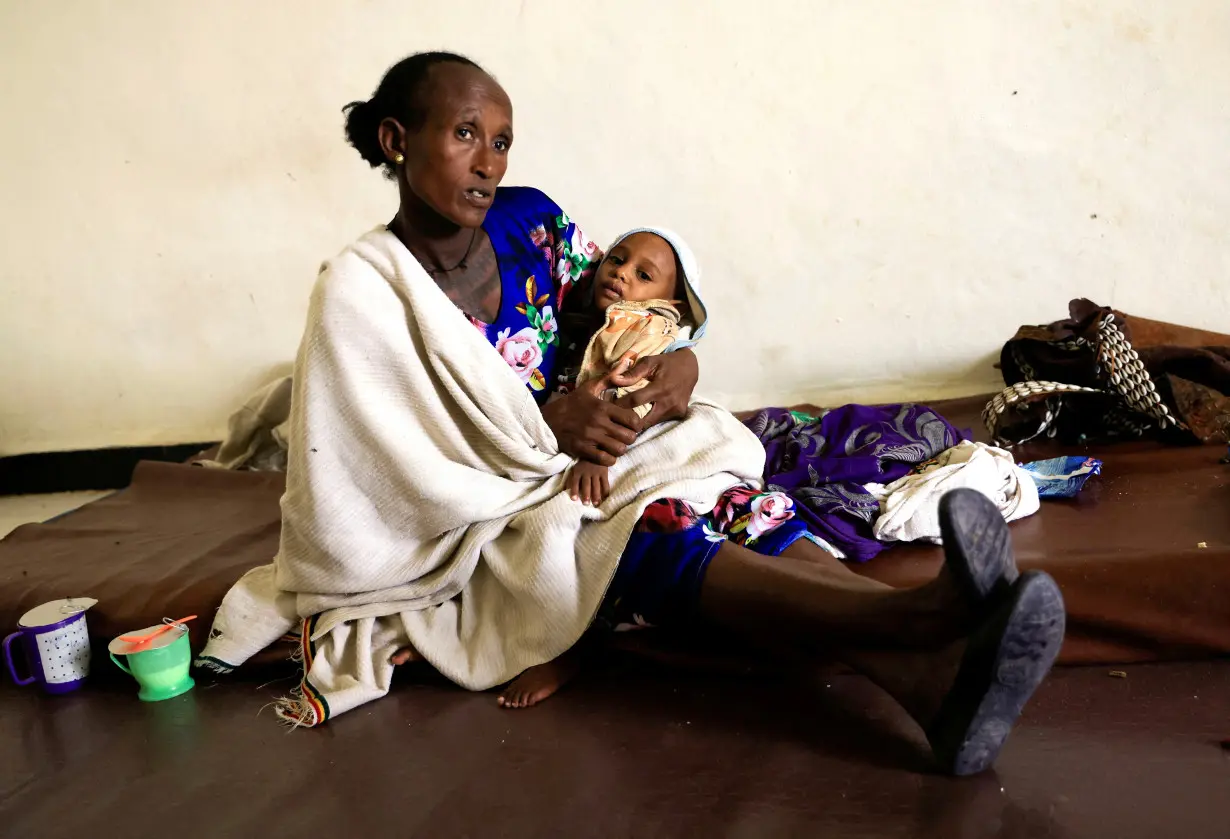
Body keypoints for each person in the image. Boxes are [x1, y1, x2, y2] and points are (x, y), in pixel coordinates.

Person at [295, 51, 1066, 776]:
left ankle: (931, 670)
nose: (490, 162)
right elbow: (386, 459)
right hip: (493, 504)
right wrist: (549, 427)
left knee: (727, 494)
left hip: (606, 443)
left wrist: (683, 363)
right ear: (398, 140)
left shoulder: (528, 221)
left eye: (501, 141)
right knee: (651, 525)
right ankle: (923, 622)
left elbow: (629, 313)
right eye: (466, 134)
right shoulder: (361, 291)